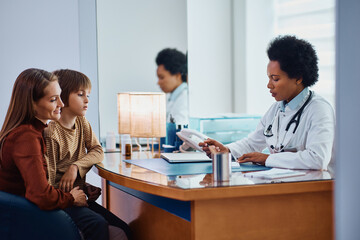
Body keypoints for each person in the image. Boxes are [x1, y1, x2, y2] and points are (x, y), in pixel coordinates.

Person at [200, 35, 335, 170]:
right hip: (282, 182)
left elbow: (318, 159)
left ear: (298, 78)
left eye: (275, 79)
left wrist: (268, 159)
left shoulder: (319, 110)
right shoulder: (276, 109)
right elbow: (252, 143)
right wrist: (227, 150)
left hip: (314, 186)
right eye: (269, 78)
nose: (269, 85)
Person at [44, 69, 130, 240]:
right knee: (97, 225)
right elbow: (49, 183)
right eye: (80, 94)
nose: (86, 100)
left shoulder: (82, 122)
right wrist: (72, 196)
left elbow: (98, 150)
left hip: (80, 196)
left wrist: (75, 167)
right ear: (63, 95)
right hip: (65, 200)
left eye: (88, 95)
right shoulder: (52, 132)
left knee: (125, 230)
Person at [0, 69, 87, 209]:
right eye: (53, 99)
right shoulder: (26, 137)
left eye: (60, 97)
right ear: (32, 104)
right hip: (27, 214)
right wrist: (71, 198)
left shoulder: (33, 132)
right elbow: (41, 195)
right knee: (101, 225)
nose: (61, 104)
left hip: (28, 210)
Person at [156, 48, 188, 124]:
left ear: (177, 75)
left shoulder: (185, 98)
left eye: (162, 77)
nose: (158, 82)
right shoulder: (172, 97)